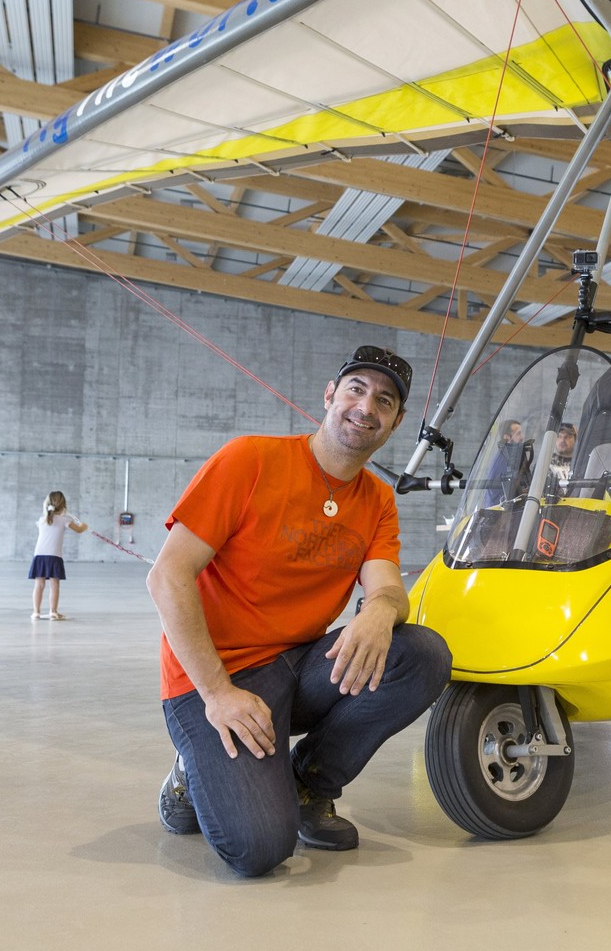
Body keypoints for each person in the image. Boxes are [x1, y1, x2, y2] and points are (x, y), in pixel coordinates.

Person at [149, 345, 452, 877]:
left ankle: (310, 785)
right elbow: (167, 577)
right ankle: (186, 771)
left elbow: (388, 588)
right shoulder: (250, 459)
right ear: (330, 395)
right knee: (260, 850)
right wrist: (218, 695)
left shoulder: (377, 498)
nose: (366, 407)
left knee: (421, 654)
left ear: (396, 422)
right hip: (213, 679)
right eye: (356, 390)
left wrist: (380, 609)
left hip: (298, 664)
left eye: (384, 400)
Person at [29, 491, 87, 620]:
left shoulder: (42, 520)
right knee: (54, 585)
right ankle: (53, 612)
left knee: (39, 585)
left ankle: (36, 612)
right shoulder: (65, 519)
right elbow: (79, 530)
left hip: (39, 555)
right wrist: (84, 526)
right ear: (63, 504)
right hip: (54, 556)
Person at [548, 423, 576, 489]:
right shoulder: (545, 463)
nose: (562, 440)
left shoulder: (582, 463)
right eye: (559, 436)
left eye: (568, 437)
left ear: (576, 439)